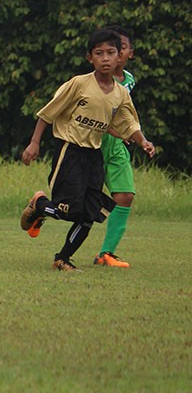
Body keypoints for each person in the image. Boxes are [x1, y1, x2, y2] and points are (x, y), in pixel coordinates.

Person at [19, 28, 154, 271]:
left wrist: (143, 141)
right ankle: (39, 204)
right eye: (99, 53)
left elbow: (128, 122)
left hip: (94, 154)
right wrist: (35, 142)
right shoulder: (79, 84)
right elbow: (48, 113)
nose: (105, 58)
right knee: (67, 210)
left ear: (119, 56)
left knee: (90, 213)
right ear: (89, 58)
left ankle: (62, 259)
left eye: (110, 52)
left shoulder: (121, 93)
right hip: (70, 151)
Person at [96, 25, 141, 267]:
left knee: (125, 195)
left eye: (120, 49)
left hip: (116, 146)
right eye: (111, 50)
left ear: (129, 53)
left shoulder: (129, 80)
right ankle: (41, 207)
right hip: (91, 142)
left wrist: (137, 137)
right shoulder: (95, 81)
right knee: (75, 202)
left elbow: (126, 113)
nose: (115, 55)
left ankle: (106, 253)